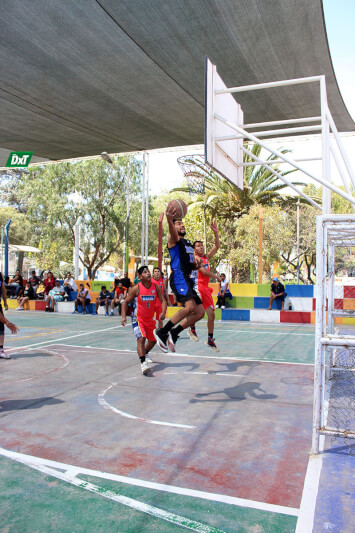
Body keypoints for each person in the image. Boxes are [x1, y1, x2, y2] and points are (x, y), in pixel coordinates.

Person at [154, 207, 204, 353]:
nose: (182, 225)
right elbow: (173, 234)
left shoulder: (188, 243)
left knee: (200, 312)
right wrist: (169, 220)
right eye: (178, 224)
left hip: (187, 278)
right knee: (189, 307)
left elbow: (190, 265)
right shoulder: (173, 240)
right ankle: (163, 331)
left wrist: (196, 265)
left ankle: (174, 334)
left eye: (182, 223)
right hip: (178, 277)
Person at [121, 265, 166, 375]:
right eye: (145, 272)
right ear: (140, 276)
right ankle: (143, 363)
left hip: (149, 319)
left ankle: (144, 353)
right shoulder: (136, 288)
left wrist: (163, 312)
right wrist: (123, 317)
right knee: (141, 339)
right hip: (138, 318)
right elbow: (125, 302)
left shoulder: (156, 288)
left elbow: (163, 300)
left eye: (148, 271)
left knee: (153, 341)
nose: (148, 273)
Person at [188, 223, 222, 351]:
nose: (201, 247)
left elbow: (217, 246)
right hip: (197, 286)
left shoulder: (206, 257)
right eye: (198, 246)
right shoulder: (196, 259)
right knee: (197, 311)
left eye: (202, 245)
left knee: (211, 315)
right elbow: (204, 272)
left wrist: (215, 232)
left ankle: (210, 339)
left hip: (205, 288)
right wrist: (217, 276)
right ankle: (191, 328)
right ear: (194, 249)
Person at [0, 271, 19, 358]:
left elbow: (3, 288)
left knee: (1, 327)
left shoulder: (0, 275)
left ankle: (0, 350)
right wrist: (7, 322)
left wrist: (5, 302)